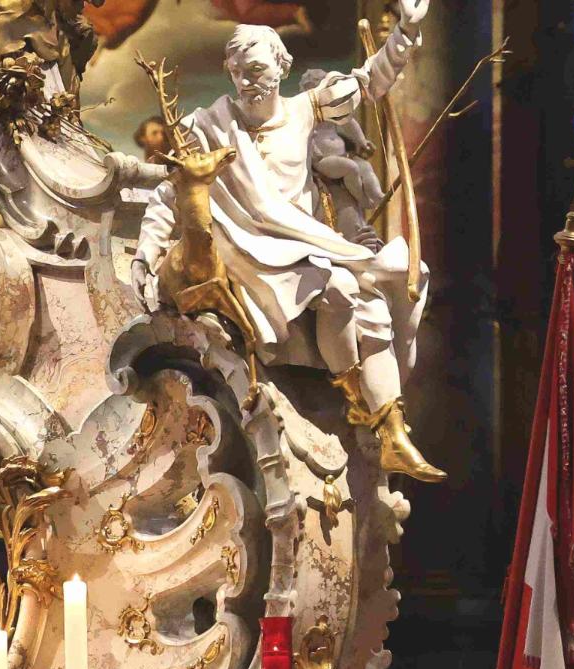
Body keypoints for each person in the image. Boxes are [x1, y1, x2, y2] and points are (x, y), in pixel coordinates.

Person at [131, 2, 442, 483]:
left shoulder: (307, 110)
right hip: (246, 255)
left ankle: (391, 431)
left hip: (302, 244)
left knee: (375, 302)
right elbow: (169, 192)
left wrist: (405, 30)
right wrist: (146, 249)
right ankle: (364, 399)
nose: (245, 82)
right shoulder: (208, 125)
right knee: (340, 285)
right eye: (236, 72)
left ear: (281, 65)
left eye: (255, 69)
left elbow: (369, 81)